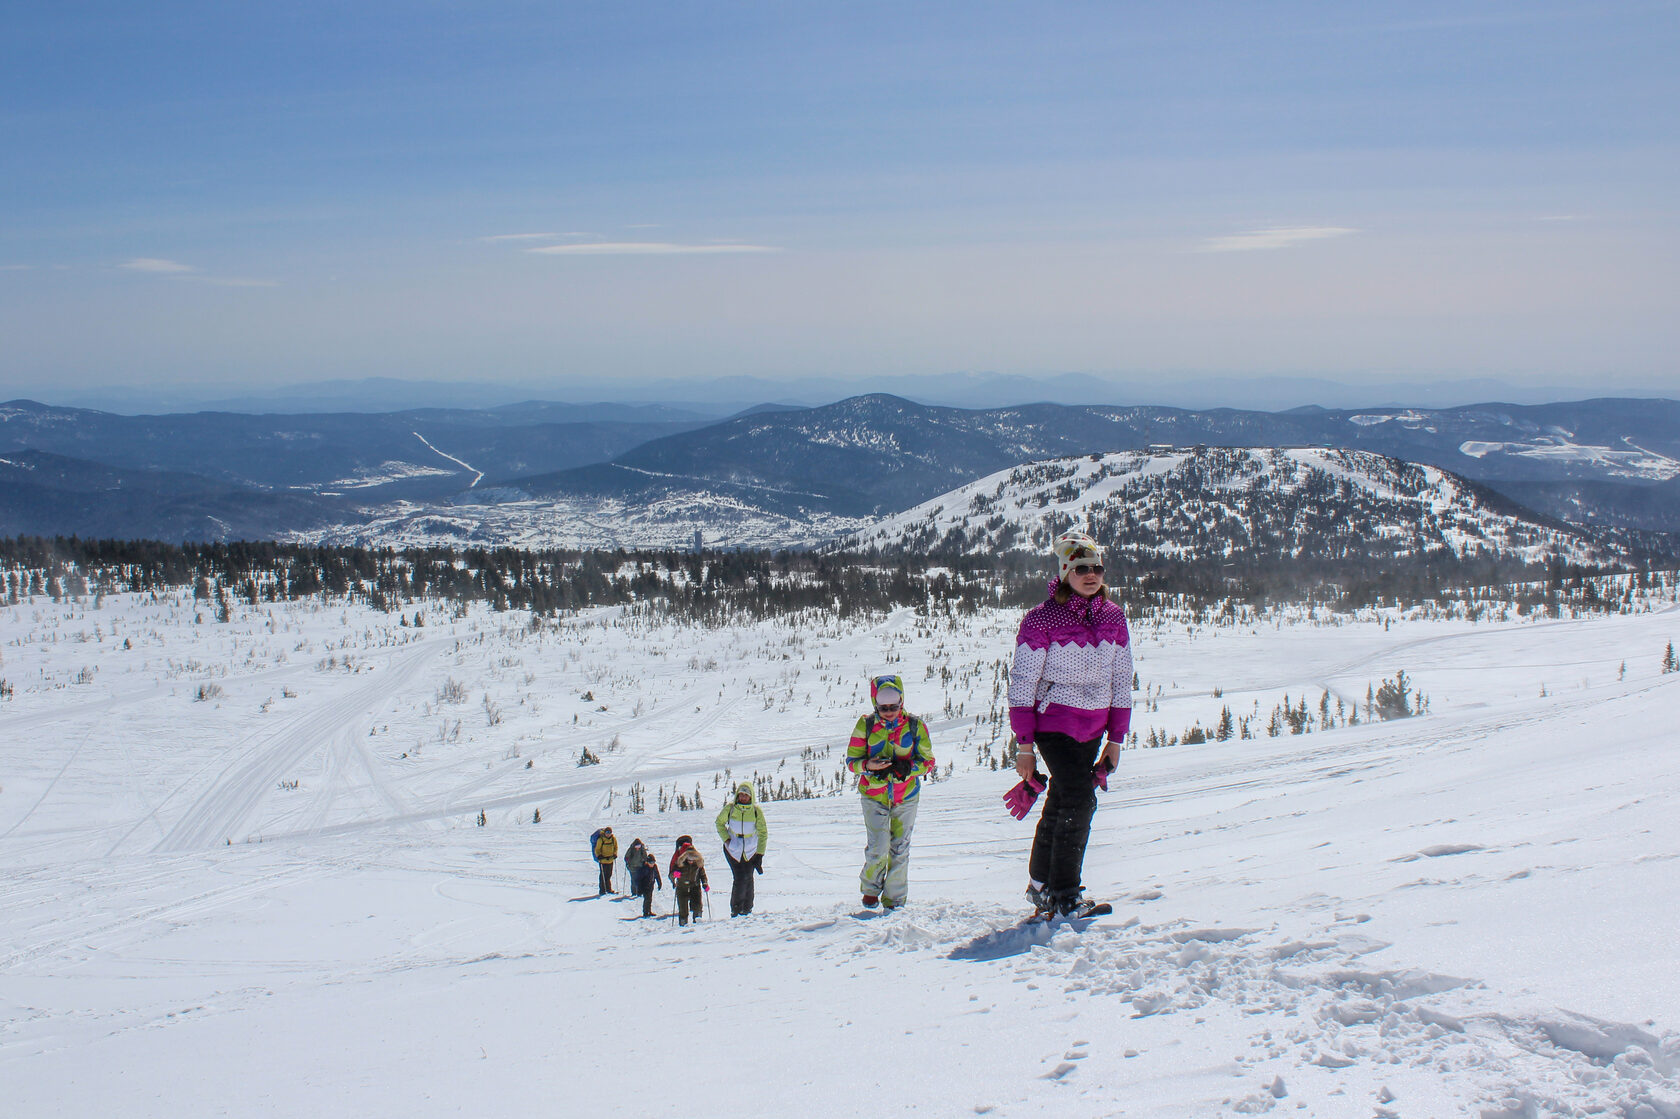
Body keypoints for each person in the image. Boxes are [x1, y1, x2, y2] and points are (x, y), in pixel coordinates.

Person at [1006, 530, 1132, 920]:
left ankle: (1042, 886)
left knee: (1062, 799)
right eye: (1080, 568)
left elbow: (1122, 677)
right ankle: (1065, 895)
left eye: (1096, 567)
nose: (1090, 574)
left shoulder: (1113, 616)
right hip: (1054, 722)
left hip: (1094, 727)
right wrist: (1025, 746)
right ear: (1064, 572)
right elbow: (1023, 682)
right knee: (1080, 799)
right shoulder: (1041, 619)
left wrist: (1116, 738)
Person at [844, 673, 935, 910]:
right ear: (875, 704)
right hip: (874, 795)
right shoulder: (866, 725)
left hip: (905, 796)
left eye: (893, 706)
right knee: (878, 846)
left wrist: (908, 768)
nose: (889, 711)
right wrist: (869, 767)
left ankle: (894, 898)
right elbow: (852, 761)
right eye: (883, 707)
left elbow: (928, 761)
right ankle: (871, 890)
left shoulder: (915, 726)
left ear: (901, 702)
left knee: (900, 846)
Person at [715, 782, 768, 916]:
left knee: (749, 877)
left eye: (746, 795)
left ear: (751, 797)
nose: (743, 798)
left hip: (751, 850)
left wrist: (760, 854)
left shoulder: (756, 811)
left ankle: (747, 908)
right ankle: (736, 909)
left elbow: (763, 833)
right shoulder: (730, 808)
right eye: (741, 795)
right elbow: (719, 823)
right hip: (732, 849)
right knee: (740, 877)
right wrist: (727, 840)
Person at [669, 835, 710, 926]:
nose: (691, 861)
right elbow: (671, 874)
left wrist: (705, 883)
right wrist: (674, 875)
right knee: (683, 909)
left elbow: (702, 874)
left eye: (692, 859)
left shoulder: (698, 864)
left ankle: (698, 923)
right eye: (689, 859)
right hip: (682, 888)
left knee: (697, 907)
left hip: (695, 887)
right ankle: (683, 925)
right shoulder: (679, 864)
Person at [633, 850, 663, 918]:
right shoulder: (644, 868)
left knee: (649, 899)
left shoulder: (655, 867)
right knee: (647, 899)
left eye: (653, 862)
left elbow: (657, 875)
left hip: (651, 884)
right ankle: (645, 912)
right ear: (647, 862)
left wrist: (659, 883)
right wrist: (639, 889)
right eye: (650, 862)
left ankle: (649, 910)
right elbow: (638, 879)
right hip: (644, 886)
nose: (652, 864)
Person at [590, 826, 619, 896]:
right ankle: (602, 890)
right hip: (603, 860)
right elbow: (597, 849)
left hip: (610, 860)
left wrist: (615, 854)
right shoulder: (601, 839)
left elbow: (616, 847)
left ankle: (608, 889)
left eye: (609, 832)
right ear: (605, 832)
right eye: (607, 832)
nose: (608, 834)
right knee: (603, 875)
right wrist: (599, 856)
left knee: (608, 875)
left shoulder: (613, 839)